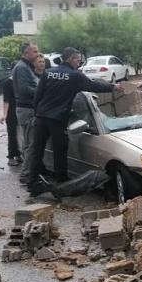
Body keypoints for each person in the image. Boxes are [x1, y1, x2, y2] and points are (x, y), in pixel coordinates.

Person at [27, 47, 125, 197]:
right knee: (60, 151)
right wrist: (113, 86)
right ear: (71, 59)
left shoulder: (48, 72)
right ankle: (62, 183)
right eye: (78, 60)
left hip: (41, 117)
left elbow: (38, 96)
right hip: (57, 119)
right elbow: (93, 86)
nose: (79, 63)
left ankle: (31, 183)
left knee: (37, 150)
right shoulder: (74, 75)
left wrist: (35, 114)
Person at [11, 42, 41, 184]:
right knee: (32, 144)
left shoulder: (27, 67)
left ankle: (30, 171)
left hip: (28, 109)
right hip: (27, 110)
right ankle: (26, 175)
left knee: (29, 143)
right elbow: (24, 89)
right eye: (34, 52)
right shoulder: (22, 67)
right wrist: (42, 91)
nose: (37, 54)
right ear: (26, 53)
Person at [0, 76, 22, 166]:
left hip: (22, 109)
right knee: (12, 134)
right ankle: (11, 156)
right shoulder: (8, 83)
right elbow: (6, 100)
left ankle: (18, 154)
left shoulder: (22, 81)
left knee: (21, 135)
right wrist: (5, 114)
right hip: (12, 112)